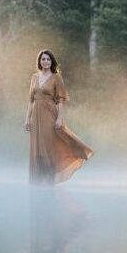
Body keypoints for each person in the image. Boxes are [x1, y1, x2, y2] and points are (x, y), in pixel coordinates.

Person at [23, 49, 94, 184]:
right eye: (43, 59)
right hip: (36, 116)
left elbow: (60, 100)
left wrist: (59, 118)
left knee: (49, 147)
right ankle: (38, 181)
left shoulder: (56, 77)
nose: (45, 61)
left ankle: (50, 180)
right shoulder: (34, 78)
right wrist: (27, 118)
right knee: (37, 149)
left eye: (48, 59)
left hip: (50, 114)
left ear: (52, 62)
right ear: (39, 61)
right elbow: (31, 100)